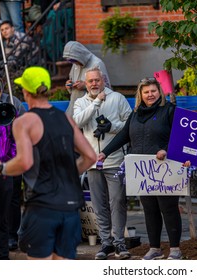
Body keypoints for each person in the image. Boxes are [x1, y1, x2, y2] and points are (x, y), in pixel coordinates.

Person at [0, 66, 97, 260]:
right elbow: (90, 156)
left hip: (43, 205)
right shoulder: (64, 118)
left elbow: (24, 161)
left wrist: (1, 167)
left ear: (27, 92)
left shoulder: (25, 120)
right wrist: (66, 176)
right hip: (69, 205)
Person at [97, 77, 183, 260]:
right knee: (149, 209)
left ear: (159, 92)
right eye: (146, 92)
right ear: (140, 95)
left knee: (168, 208)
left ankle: (175, 249)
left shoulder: (169, 110)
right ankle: (155, 248)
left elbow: (180, 136)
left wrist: (166, 150)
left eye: (153, 91)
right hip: (142, 170)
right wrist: (105, 152)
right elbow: (123, 135)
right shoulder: (135, 114)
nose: (150, 95)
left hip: (165, 168)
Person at [73, 67, 132, 260]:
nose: (94, 84)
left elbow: (130, 124)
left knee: (117, 202)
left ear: (103, 80)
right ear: (85, 83)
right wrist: (96, 103)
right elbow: (78, 122)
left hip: (114, 160)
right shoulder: (81, 102)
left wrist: (112, 127)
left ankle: (119, 242)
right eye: (90, 81)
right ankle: (105, 242)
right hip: (92, 163)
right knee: (99, 205)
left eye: (97, 80)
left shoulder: (117, 98)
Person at [0, 72, 25, 252]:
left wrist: (11, 159)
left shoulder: (9, 107)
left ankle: (7, 242)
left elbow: (16, 138)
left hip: (6, 168)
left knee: (7, 207)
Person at [63, 41, 111, 117]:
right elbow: (73, 89)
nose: (74, 63)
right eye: (71, 61)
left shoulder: (97, 64)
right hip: (74, 110)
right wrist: (69, 85)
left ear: (79, 55)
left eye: (74, 60)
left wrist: (85, 86)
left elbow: (107, 89)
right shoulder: (75, 64)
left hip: (92, 112)